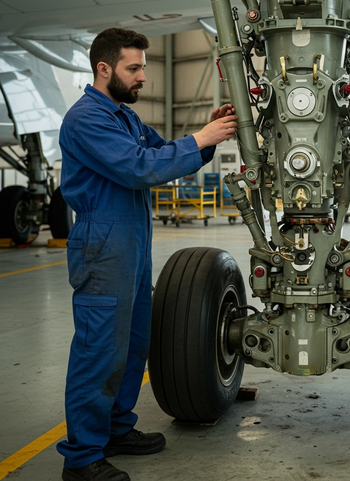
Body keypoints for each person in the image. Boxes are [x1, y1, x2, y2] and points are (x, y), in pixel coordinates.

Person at [57, 28, 238, 481]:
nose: (143, 77)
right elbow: (140, 168)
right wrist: (200, 138)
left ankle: (117, 429)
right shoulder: (87, 119)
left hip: (131, 239)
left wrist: (207, 135)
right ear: (104, 69)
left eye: (143, 67)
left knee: (134, 341)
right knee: (100, 348)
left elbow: (160, 151)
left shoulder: (123, 116)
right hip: (103, 240)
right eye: (133, 68)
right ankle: (81, 458)